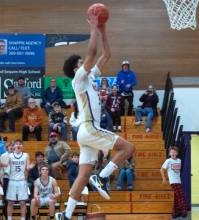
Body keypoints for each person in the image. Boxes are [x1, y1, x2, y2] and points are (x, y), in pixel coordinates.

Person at [56, 13, 135, 220]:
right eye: (82, 63)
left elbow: (106, 54)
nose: (86, 63)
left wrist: (103, 30)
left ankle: (65, 214)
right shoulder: (79, 78)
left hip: (85, 131)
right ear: (76, 68)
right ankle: (101, 177)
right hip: (89, 127)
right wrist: (92, 26)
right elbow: (92, 51)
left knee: (82, 176)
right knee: (128, 148)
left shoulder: (90, 75)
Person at [5, 139, 33, 220]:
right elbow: (6, 164)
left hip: (22, 181)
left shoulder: (26, 155)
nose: (18, 145)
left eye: (20, 144)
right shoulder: (10, 155)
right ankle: (9, 218)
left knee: (22, 202)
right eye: (16, 144)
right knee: (10, 202)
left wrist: (31, 166)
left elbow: (27, 167)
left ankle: (23, 218)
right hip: (12, 180)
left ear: (22, 146)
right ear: (14, 146)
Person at [160, 146, 188, 219]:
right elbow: (162, 170)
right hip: (173, 182)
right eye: (171, 152)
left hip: (178, 181)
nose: (173, 153)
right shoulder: (168, 161)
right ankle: (184, 210)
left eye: (174, 152)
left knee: (176, 197)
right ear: (169, 154)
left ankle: (175, 213)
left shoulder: (179, 160)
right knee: (180, 195)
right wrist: (164, 179)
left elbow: (177, 172)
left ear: (177, 153)